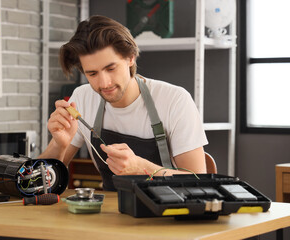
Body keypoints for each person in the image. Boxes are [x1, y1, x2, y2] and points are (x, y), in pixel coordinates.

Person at [38, 15, 208, 191]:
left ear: (130, 58)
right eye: (92, 74)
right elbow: (38, 184)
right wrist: (59, 144)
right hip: (109, 213)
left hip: (167, 213)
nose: (104, 83)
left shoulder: (174, 100)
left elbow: (199, 183)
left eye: (111, 68)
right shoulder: (82, 98)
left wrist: (143, 169)